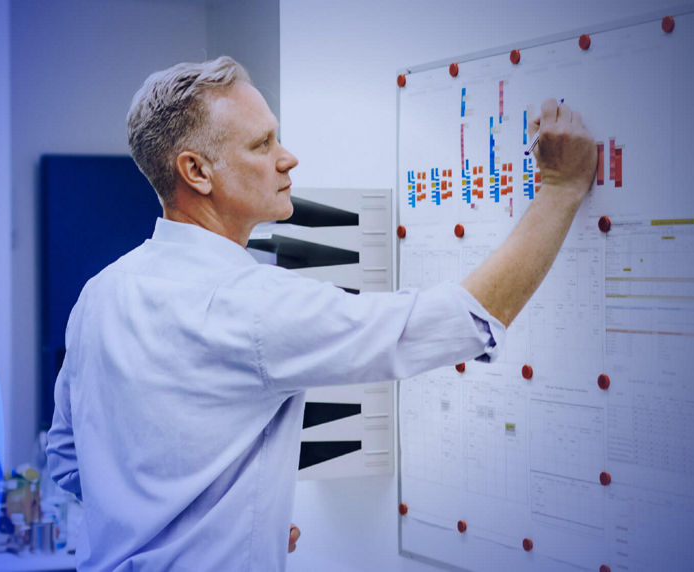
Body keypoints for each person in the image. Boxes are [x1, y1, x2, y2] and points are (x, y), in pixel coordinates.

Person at [44, 56, 596, 571]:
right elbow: (461, 320)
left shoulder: (100, 294)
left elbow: (69, 462)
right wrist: (562, 188)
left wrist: (215, 526)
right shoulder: (252, 304)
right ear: (197, 171)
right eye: (262, 144)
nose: (288, 158)